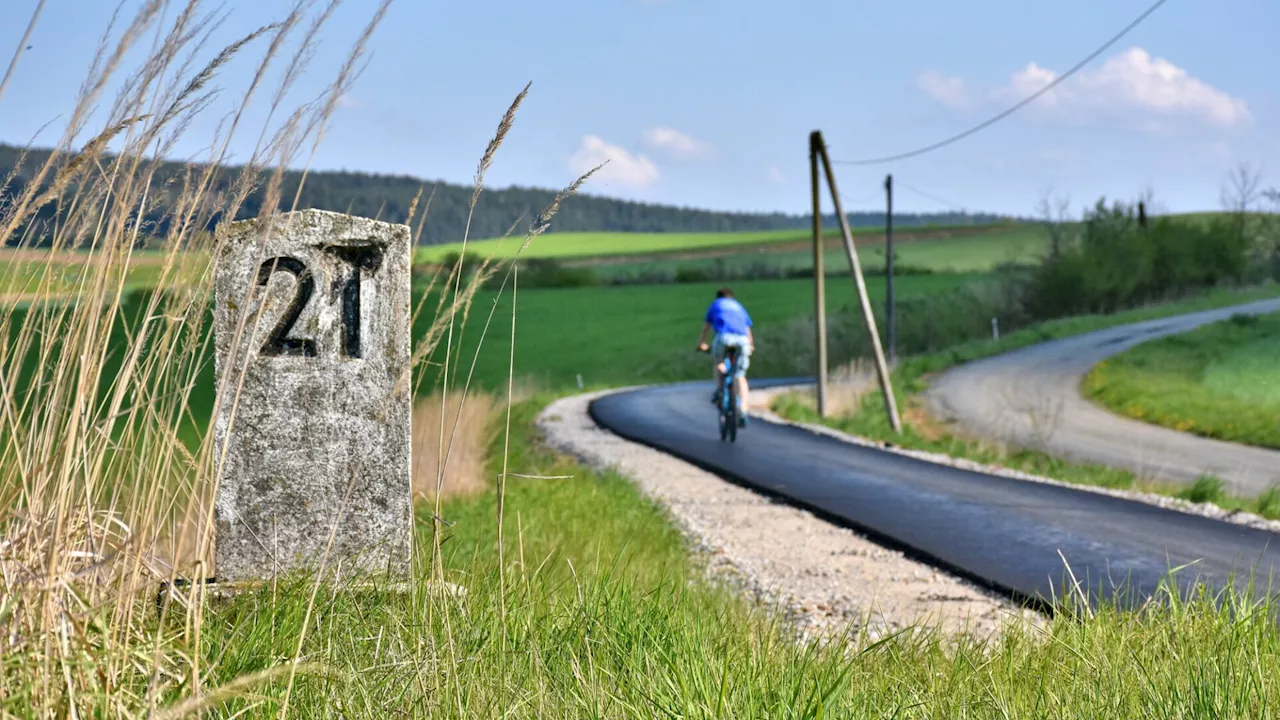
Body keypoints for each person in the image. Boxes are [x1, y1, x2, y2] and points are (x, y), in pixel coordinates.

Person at [696, 287, 753, 425]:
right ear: (731, 297)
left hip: (724, 338)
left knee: (718, 362)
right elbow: (747, 329)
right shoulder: (739, 307)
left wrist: (702, 343)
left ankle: (719, 391)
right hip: (742, 340)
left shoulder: (716, 305)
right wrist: (750, 345)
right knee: (740, 375)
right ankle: (743, 411)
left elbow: (706, 328)